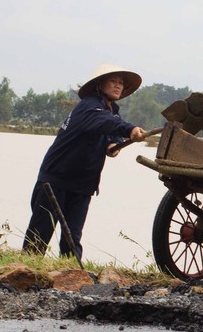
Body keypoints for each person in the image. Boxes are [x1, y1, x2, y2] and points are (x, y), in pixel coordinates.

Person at [22, 63, 145, 259]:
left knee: (72, 238)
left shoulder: (112, 110)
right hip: (55, 180)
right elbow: (104, 122)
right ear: (99, 84)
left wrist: (113, 144)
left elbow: (110, 132)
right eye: (113, 81)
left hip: (83, 184)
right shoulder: (88, 106)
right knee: (39, 235)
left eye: (121, 83)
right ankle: (24, 272)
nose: (118, 86)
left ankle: (71, 274)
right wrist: (129, 129)